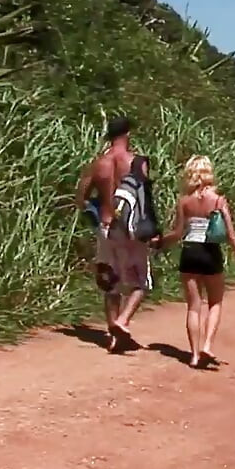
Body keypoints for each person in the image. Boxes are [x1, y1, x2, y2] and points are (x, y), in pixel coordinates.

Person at [74, 116, 155, 353]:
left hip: (106, 226)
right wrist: (153, 230)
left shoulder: (98, 164)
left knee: (111, 279)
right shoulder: (136, 161)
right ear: (127, 134)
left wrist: (97, 211)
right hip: (130, 228)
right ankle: (123, 321)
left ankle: (113, 335)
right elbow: (145, 199)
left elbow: (81, 198)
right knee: (141, 281)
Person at [162, 155, 235, 368]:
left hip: (189, 252)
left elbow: (178, 232)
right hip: (210, 252)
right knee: (215, 302)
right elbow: (231, 234)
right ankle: (207, 346)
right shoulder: (218, 201)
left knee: (193, 307)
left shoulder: (184, 201)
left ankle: (193, 355)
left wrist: (160, 242)